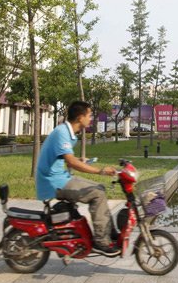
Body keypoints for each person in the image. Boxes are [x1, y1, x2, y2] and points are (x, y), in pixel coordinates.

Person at [36, 101, 120, 256]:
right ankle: (101, 241)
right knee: (98, 193)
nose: (91, 119)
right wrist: (100, 171)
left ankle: (109, 231)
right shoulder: (62, 132)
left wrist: (80, 161)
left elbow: (64, 158)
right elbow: (71, 162)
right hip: (54, 182)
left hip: (60, 177)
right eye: (89, 115)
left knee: (100, 188)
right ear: (80, 117)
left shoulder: (66, 132)